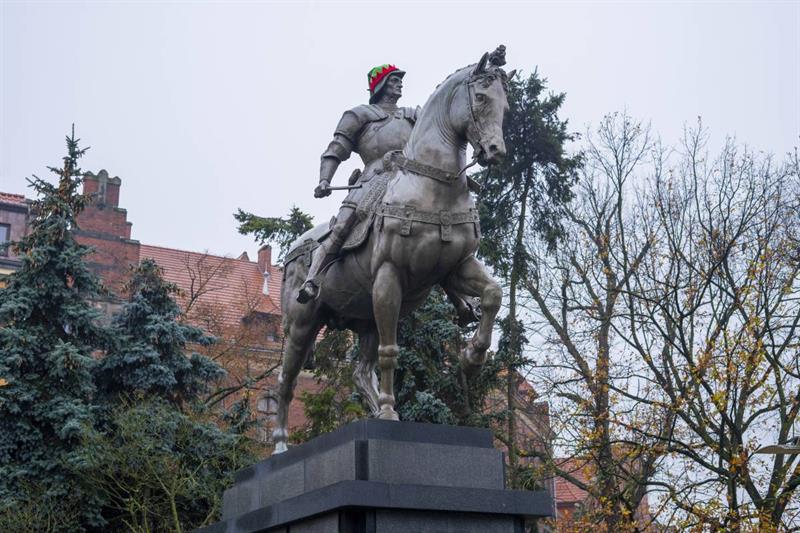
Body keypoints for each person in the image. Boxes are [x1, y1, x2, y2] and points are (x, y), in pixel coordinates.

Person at [297, 64, 418, 303]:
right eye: (394, 80)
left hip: (412, 177)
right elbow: (336, 149)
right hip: (374, 178)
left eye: (400, 80)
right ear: (381, 85)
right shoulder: (360, 115)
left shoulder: (413, 115)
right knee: (342, 226)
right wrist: (325, 180)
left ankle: (460, 296)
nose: (400, 84)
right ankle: (312, 279)